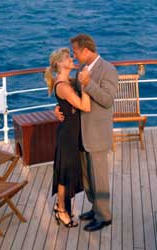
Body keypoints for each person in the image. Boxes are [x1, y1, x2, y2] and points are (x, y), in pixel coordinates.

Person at [55, 34, 118, 232]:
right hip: (81, 133)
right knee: (89, 176)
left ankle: (104, 216)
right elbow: (69, 92)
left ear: (85, 50)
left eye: (75, 52)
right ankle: (95, 208)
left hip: (97, 133)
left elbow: (107, 100)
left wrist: (89, 83)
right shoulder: (84, 69)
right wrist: (59, 108)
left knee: (99, 177)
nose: (74, 55)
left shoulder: (108, 69)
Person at [44, 47, 91, 228]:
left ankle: (60, 206)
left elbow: (65, 104)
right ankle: (61, 209)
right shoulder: (63, 86)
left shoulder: (66, 81)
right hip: (68, 136)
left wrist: (58, 109)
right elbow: (84, 106)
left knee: (67, 171)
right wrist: (86, 85)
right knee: (64, 174)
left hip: (70, 133)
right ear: (59, 64)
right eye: (67, 57)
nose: (71, 59)